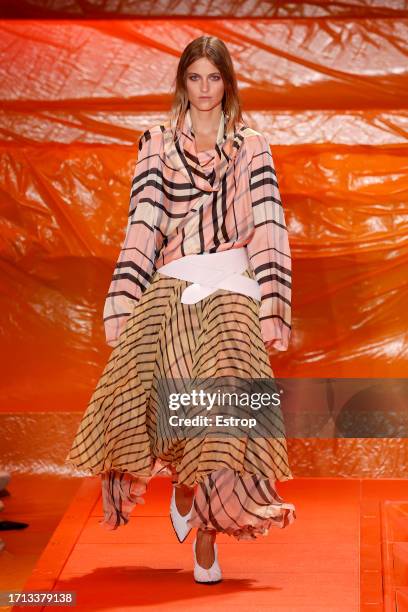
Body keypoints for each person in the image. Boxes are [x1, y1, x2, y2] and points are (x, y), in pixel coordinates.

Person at [66, 35, 296, 584]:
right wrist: (124, 297)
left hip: (234, 287)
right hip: (174, 281)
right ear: (182, 82)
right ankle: (186, 488)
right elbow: (143, 223)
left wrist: (273, 306)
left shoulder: (251, 147)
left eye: (214, 78)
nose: (205, 89)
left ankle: (208, 542)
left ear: (227, 83)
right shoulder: (157, 143)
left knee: (227, 414)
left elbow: (268, 227)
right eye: (195, 77)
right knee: (153, 401)